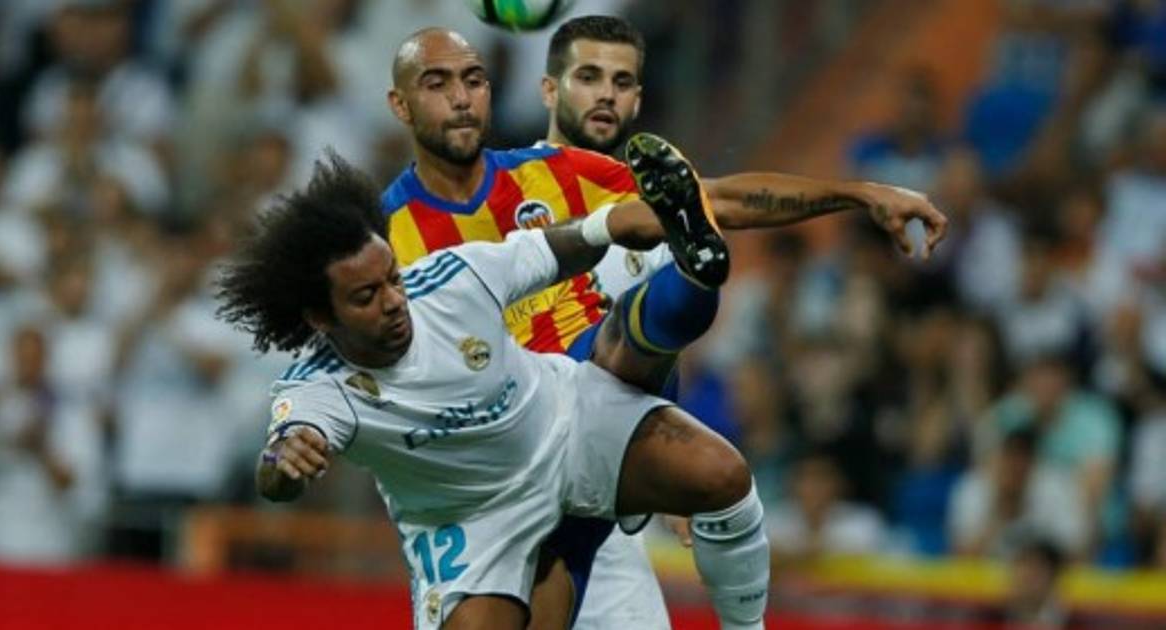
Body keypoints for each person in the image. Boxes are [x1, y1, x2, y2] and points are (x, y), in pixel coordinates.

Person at [380, 23, 948, 628]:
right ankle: (686, 289)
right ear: (400, 104)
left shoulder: (562, 176)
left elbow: (721, 200)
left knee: (635, 365)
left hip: (593, 438)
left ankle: (695, 277)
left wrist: (859, 193)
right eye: (438, 84)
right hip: (491, 483)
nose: (461, 98)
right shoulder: (382, 234)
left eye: (473, 80)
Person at [217, 144, 771, 630]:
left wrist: (614, 224)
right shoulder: (319, 387)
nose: (393, 301)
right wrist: (285, 461)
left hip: (566, 427)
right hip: (471, 521)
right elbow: (279, 464)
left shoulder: (452, 279)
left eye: (392, 278)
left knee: (722, 477)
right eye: (366, 296)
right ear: (320, 317)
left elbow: (565, 244)